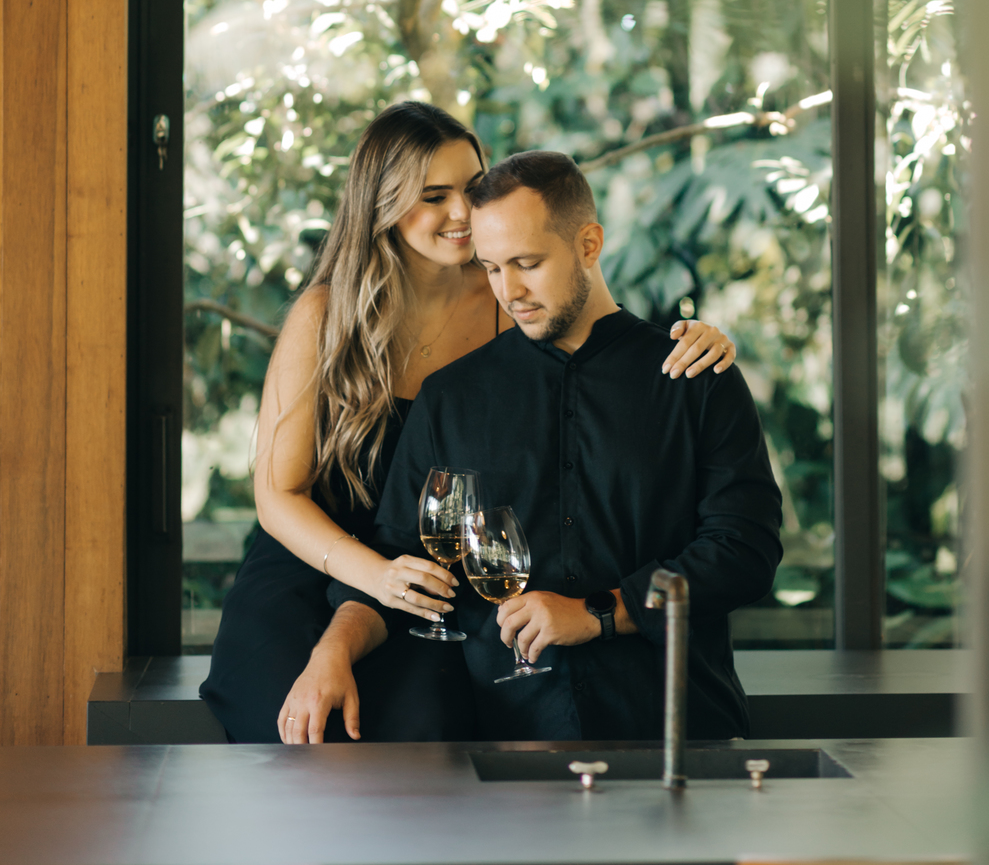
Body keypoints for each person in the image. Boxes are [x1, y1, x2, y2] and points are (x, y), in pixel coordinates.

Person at [199, 103, 737, 743]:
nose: (462, 212)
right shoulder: (326, 315)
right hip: (317, 560)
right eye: (434, 196)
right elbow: (276, 497)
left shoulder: (507, 298)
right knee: (295, 721)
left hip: (437, 576)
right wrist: (378, 577)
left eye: (471, 187)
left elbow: (592, 324)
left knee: (422, 724)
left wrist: (696, 340)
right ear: (382, 205)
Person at [322, 149, 783, 743]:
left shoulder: (694, 378)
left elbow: (744, 552)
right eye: (491, 268)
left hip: (678, 729)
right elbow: (398, 561)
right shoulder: (450, 398)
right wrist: (331, 651)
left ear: (589, 244)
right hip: (501, 744)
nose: (509, 290)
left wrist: (599, 612)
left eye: (528, 263)